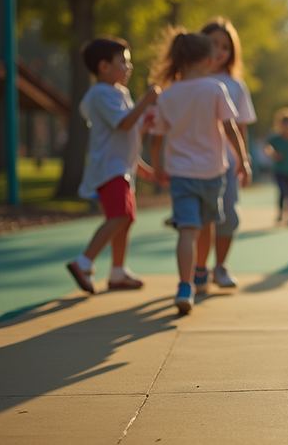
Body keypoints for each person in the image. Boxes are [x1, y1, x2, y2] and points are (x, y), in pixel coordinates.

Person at [148, 29, 252, 315]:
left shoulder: (168, 95)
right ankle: (201, 273)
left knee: (187, 230)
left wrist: (157, 166)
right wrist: (243, 159)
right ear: (207, 60)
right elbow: (231, 127)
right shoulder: (215, 89)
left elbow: (156, 137)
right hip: (212, 172)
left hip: (180, 173)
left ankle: (186, 284)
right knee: (208, 223)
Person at [66, 36, 160, 294]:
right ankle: (83, 262)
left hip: (122, 168)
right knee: (120, 215)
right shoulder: (100, 94)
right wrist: (146, 101)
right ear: (104, 66)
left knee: (126, 219)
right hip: (109, 169)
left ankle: (118, 272)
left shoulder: (120, 93)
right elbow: (124, 124)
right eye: (123, 62)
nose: (128, 67)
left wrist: (140, 161)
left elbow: (129, 133)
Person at [190, 18, 258, 293]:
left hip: (226, 164)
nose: (218, 52)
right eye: (212, 44)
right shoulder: (189, 81)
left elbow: (240, 126)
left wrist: (244, 160)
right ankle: (199, 270)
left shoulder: (235, 85)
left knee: (228, 217)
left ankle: (221, 266)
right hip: (194, 164)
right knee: (199, 219)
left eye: (225, 47)